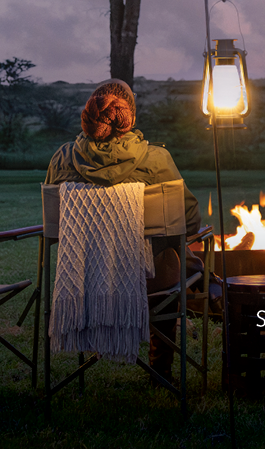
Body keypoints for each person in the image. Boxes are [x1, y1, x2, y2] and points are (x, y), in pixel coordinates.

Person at [45, 78, 206, 383]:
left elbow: (55, 230)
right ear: (129, 115)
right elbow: (190, 222)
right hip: (146, 283)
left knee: (170, 251)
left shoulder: (62, 157)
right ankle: (161, 371)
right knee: (171, 254)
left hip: (81, 281)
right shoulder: (157, 160)